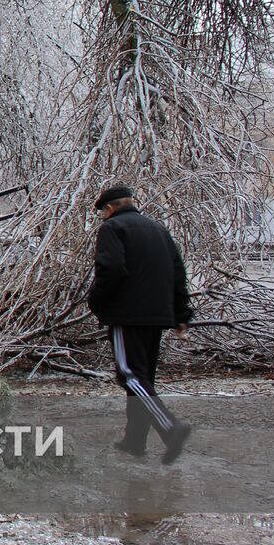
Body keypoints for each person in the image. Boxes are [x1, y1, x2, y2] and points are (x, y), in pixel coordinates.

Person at [87, 184, 192, 463]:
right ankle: (135, 440)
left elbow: (110, 270)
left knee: (129, 375)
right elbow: (177, 272)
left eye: (102, 212)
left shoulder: (112, 229)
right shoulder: (158, 230)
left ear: (109, 209)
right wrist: (181, 314)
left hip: (127, 314)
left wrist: (96, 303)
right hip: (157, 315)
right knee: (142, 378)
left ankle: (170, 428)